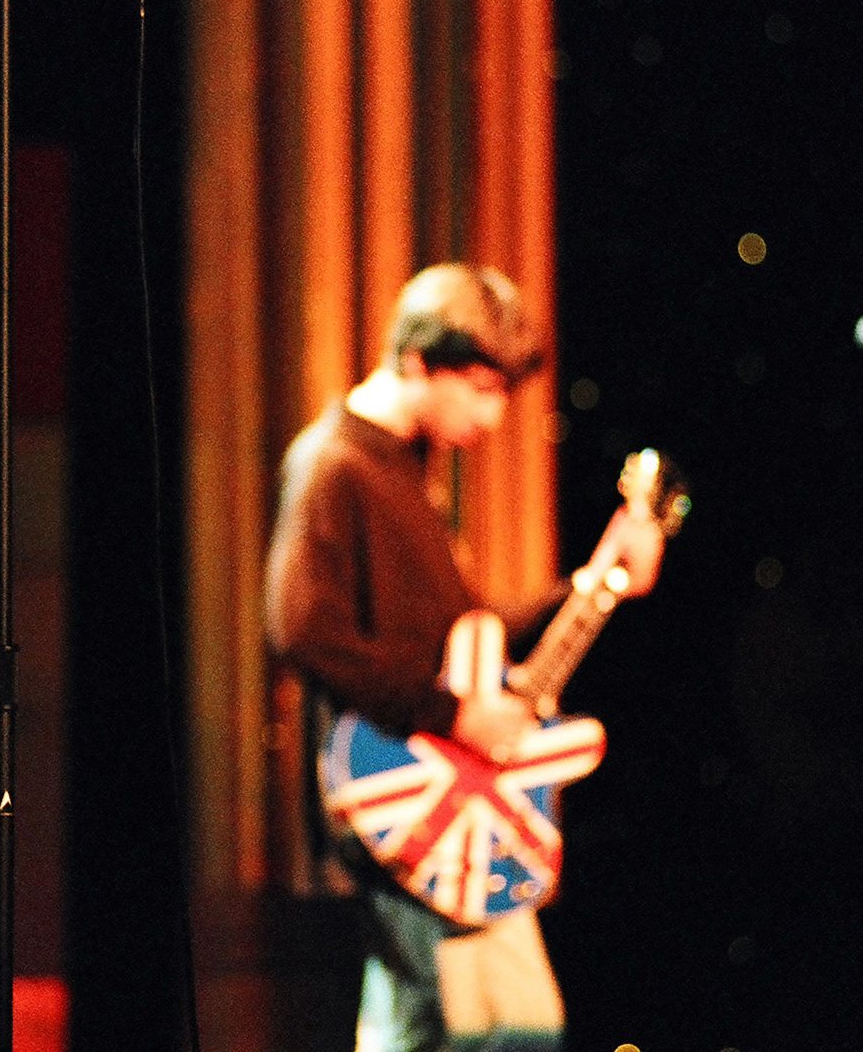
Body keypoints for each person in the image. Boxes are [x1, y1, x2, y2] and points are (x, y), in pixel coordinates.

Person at [265, 263, 666, 1052]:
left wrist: (591, 584)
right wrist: (451, 713)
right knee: (496, 1031)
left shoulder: (404, 467)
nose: (494, 413)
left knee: (449, 1029)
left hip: (438, 791)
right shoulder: (336, 464)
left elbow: (458, 632)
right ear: (417, 362)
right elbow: (303, 628)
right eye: (481, 386)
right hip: (407, 796)